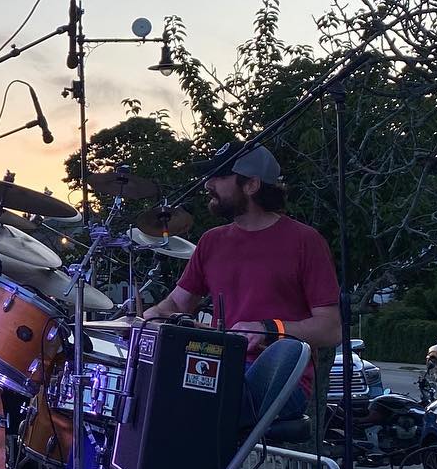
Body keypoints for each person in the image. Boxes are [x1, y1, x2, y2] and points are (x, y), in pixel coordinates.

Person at [141, 144, 341, 421]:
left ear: (252, 185)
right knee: (142, 386)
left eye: (220, 177)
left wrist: (269, 329)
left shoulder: (305, 241)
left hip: (280, 382)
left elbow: (331, 329)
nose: (208, 184)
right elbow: (178, 302)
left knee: (191, 398)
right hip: (218, 368)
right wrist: (155, 315)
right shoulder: (212, 241)